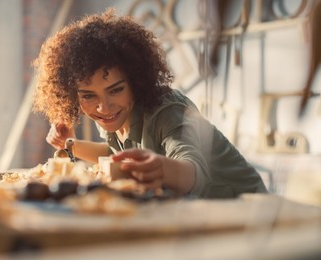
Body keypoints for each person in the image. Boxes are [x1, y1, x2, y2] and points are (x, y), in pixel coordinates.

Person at [33, 8, 267, 198]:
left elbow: (192, 167)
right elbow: (115, 153)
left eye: (116, 90)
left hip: (249, 214)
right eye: (88, 96)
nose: (103, 107)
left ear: (136, 80)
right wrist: (69, 144)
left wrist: (162, 169)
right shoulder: (113, 116)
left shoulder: (169, 110)